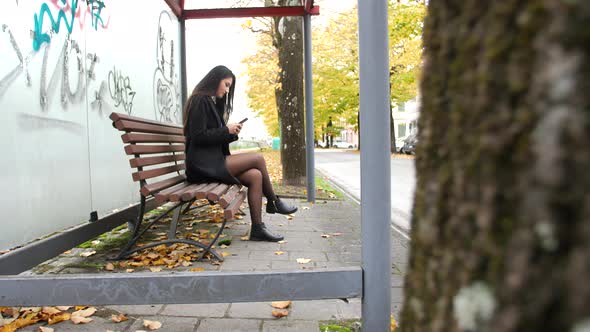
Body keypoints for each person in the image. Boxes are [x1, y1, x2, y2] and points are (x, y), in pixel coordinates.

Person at [183, 65, 297, 242]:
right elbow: (198, 137)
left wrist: (230, 132)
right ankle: (274, 202)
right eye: (226, 85)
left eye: (229, 86)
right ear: (215, 79)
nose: (227, 90)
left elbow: (212, 138)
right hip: (200, 165)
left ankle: (258, 228)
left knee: (255, 175)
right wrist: (225, 130)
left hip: (210, 161)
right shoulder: (200, 100)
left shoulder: (209, 102)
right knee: (258, 158)